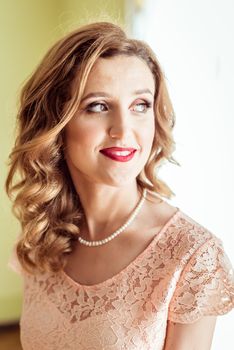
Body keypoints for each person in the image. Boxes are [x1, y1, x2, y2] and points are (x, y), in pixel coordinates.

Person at [5, 21, 234, 350]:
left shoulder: (192, 257)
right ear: (56, 122)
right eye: (98, 106)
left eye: (140, 105)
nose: (123, 130)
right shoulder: (42, 232)